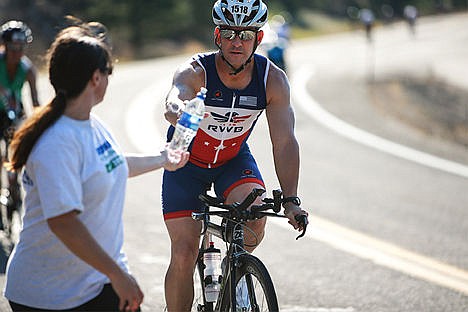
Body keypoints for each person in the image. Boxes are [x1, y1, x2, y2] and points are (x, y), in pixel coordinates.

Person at [3, 20, 189, 312]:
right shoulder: (57, 141)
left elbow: (111, 165)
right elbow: (63, 221)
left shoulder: (90, 123)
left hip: (94, 281)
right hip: (50, 295)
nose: (108, 79)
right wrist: (118, 275)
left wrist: (163, 160)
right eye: (108, 72)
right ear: (95, 78)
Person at [162, 0, 308, 310]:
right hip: (186, 165)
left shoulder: (272, 80)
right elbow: (176, 95)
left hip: (232, 160)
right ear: (217, 35)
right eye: (228, 33)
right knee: (185, 253)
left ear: (258, 38)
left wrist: (292, 200)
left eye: (245, 35)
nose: (236, 42)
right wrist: (176, 109)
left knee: (254, 223)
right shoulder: (196, 71)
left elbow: (284, 142)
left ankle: (234, 270)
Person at [0, 20, 40, 222]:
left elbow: (36, 104)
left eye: (21, 48)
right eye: (12, 48)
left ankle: (14, 185)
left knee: (16, 151)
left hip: (14, 112)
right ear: (4, 46)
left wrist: (37, 125)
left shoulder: (28, 70)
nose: (17, 52)